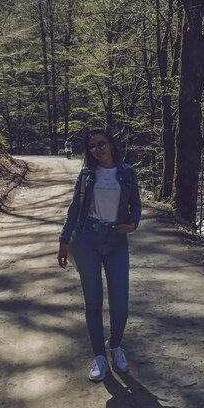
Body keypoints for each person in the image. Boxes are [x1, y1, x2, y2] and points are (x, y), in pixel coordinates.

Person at [57, 128, 142, 382]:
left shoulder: (127, 172)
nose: (97, 150)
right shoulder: (86, 175)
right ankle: (99, 356)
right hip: (87, 241)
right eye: (92, 146)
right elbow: (74, 208)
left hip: (116, 241)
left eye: (101, 144)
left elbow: (136, 204)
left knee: (120, 304)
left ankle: (115, 346)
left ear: (111, 145)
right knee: (93, 303)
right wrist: (63, 240)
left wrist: (134, 224)